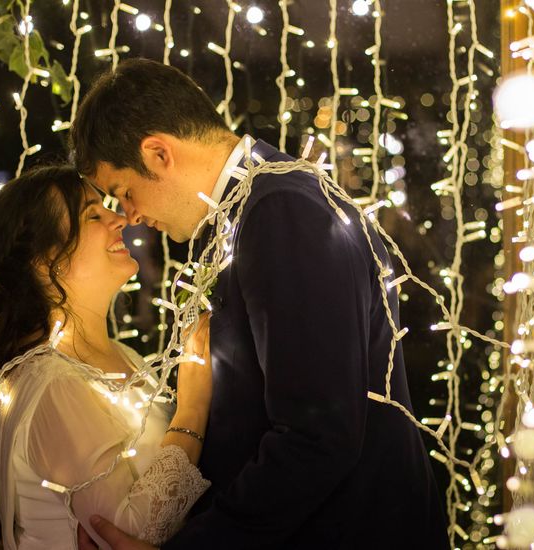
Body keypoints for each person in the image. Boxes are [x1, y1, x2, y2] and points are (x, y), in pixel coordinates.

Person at [70, 58, 449, 549]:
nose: (134, 216)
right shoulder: (257, 203)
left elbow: (316, 437)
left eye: (125, 192)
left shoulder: (279, 210)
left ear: (158, 153)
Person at [0, 165, 213, 549]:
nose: (119, 219)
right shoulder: (53, 383)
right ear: (45, 262)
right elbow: (127, 535)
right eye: (93, 215)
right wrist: (193, 406)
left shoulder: (124, 357)